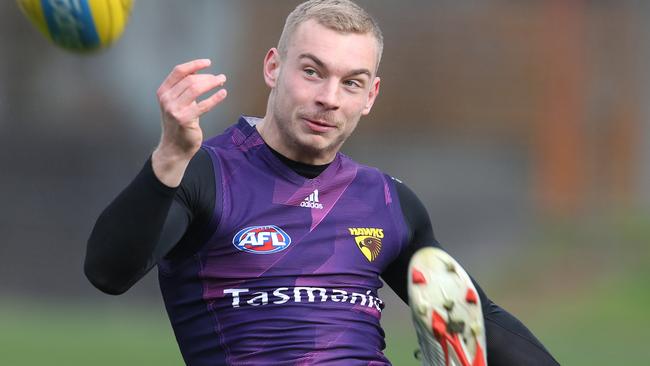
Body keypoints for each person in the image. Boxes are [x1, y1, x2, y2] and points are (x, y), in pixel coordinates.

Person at [84, 1, 559, 365]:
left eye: (351, 82)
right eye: (312, 72)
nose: (329, 98)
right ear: (274, 67)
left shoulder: (386, 200)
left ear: (370, 95)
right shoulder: (205, 173)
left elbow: (477, 320)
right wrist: (168, 157)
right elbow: (108, 272)